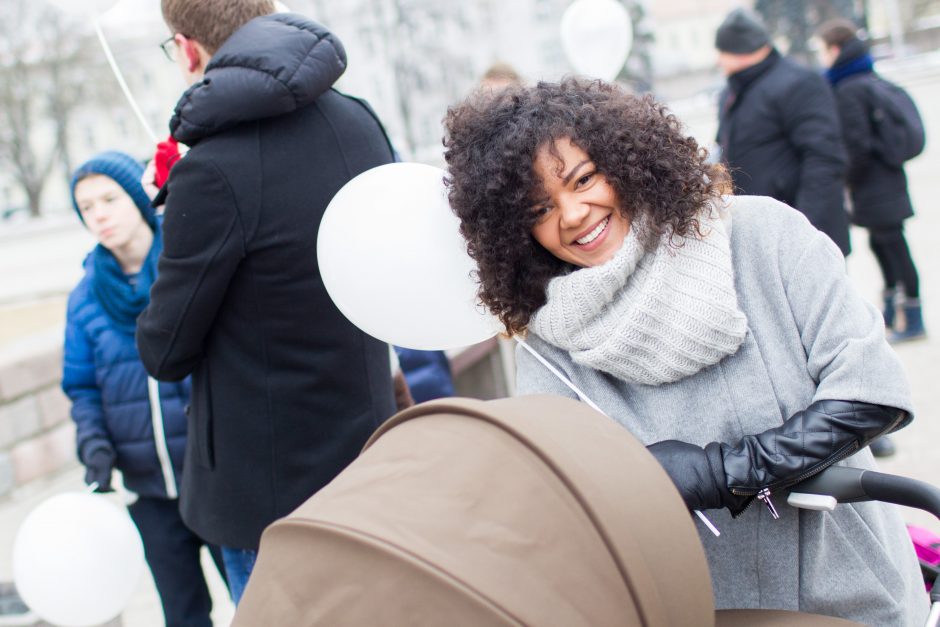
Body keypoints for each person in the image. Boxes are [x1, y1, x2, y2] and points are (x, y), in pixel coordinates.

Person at [442, 78, 926, 624]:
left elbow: (870, 392)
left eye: (583, 179)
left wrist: (724, 472)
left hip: (854, 592)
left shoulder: (762, 235)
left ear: (626, 160)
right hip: (707, 610)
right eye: (539, 208)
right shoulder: (549, 345)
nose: (573, 213)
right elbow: (565, 501)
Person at [136, 0, 397, 603]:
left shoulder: (212, 171)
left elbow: (165, 348)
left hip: (270, 500)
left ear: (187, 49)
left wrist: (176, 217)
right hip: (369, 462)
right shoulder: (357, 119)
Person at [63, 152, 226, 627]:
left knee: (255, 596)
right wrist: (94, 444)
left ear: (138, 198)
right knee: (182, 614)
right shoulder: (85, 296)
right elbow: (82, 386)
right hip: (149, 492)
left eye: (109, 199)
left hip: (213, 475)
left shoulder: (186, 269)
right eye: (86, 207)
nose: (99, 215)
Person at [818, 19, 926, 344]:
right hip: (887, 179)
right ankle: (895, 310)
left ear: (835, 50)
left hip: (872, 184)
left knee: (892, 246)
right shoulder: (866, 78)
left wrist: (845, 179)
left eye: (822, 50)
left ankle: (913, 318)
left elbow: (857, 146)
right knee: (885, 243)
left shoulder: (848, 89)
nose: (821, 57)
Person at [715, 8, 851, 256]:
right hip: (760, 232)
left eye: (722, 52)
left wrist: (805, 228)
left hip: (804, 232)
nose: (718, 60)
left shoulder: (799, 83)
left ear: (740, 51)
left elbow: (824, 158)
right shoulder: (733, 92)